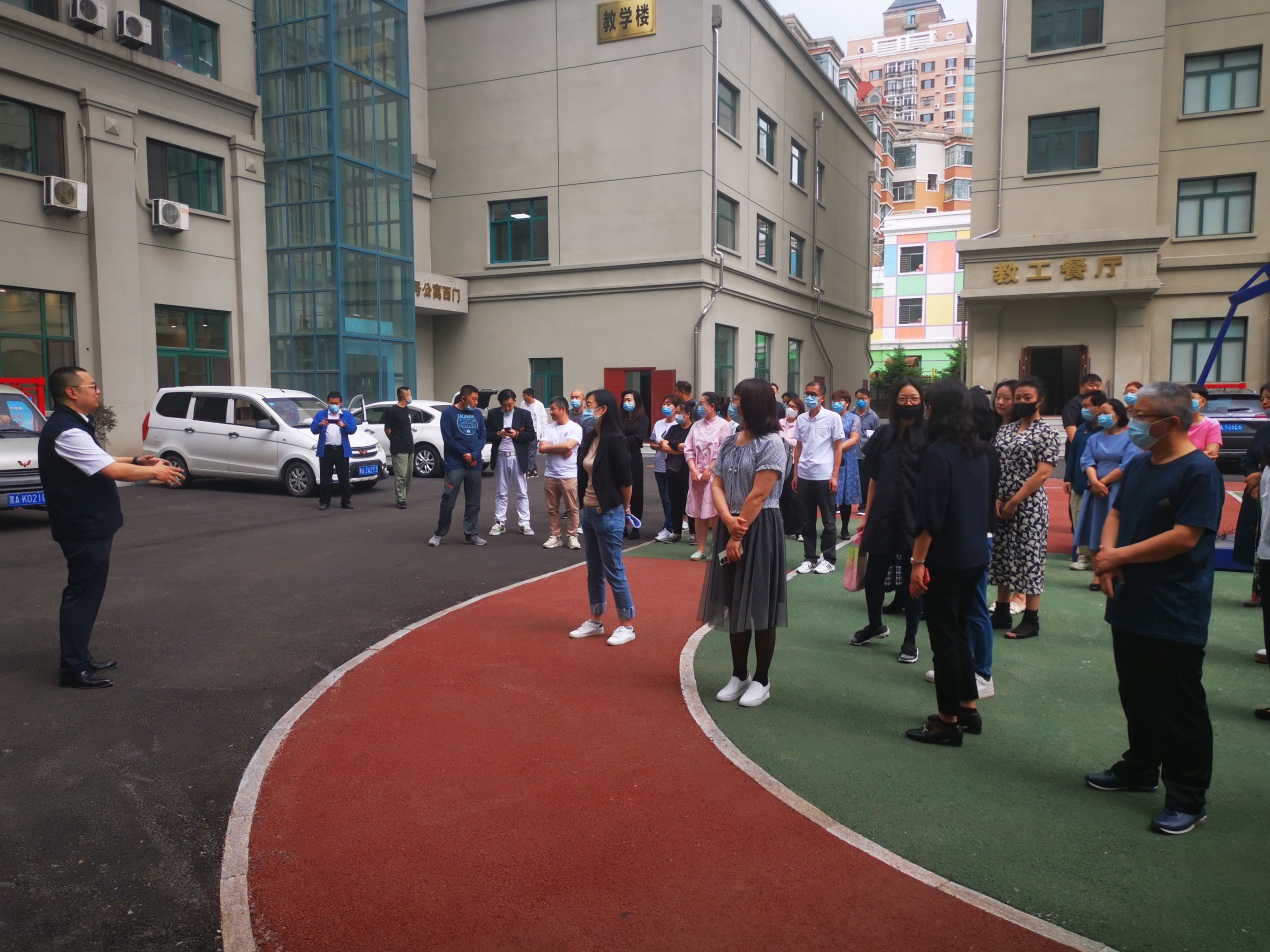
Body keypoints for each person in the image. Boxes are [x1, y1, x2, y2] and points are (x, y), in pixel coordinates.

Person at [1089, 381, 1223, 836]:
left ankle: (1187, 797)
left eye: (1141, 415)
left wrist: (1117, 558)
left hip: (1173, 607)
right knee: (1136, 691)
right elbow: (1117, 513)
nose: (1133, 421)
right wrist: (1107, 557)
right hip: (1131, 600)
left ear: (1171, 423)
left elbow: (1185, 536)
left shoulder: (1198, 471)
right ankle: (1141, 767)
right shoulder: (1140, 463)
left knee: (1178, 703)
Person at [38, 366, 185, 688]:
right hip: (82, 527)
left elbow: (102, 459)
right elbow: (111, 471)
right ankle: (73, 668)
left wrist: (137, 461)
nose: (98, 391)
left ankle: (80, 656)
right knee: (82, 594)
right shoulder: (67, 431)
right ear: (72, 392)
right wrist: (155, 473)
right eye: (91, 386)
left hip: (89, 524)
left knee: (87, 593)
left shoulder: (75, 425)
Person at [906, 380, 991, 745]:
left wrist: (917, 563)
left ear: (934, 409)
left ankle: (947, 721)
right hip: (974, 554)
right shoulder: (979, 450)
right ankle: (967, 707)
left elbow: (930, 518)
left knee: (944, 639)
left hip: (946, 557)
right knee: (959, 634)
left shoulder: (937, 454)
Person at [699, 378, 790, 709]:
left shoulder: (773, 443)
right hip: (732, 524)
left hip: (760, 526)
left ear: (755, 404)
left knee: (760, 604)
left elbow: (760, 493)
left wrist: (737, 534)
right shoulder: (729, 440)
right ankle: (739, 674)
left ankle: (762, 680)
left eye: (739, 400)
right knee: (734, 602)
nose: (734, 404)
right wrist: (726, 519)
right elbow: (717, 483)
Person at [853, 379, 927, 664]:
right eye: (903, 398)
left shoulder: (929, 436)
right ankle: (875, 624)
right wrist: (867, 515)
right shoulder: (884, 434)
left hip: (914, 516)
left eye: (914, 398)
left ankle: (910, 638)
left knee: (911, 579)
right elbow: (873, 478)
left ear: (922, 402)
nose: (908, 403)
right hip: (883, 514)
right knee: (874, 574)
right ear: (894, 401)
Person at [989, 376, 1062, 640]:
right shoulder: (1006, 430)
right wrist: (997, 498)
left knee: (1029, 558)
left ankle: (1031, 619)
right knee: (1003, 554)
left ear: (1040, 401)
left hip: (1029, 506)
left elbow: (1042, 473)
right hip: (1002, 503)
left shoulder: (1047, 432)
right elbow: (997, 466)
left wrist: (1014, 501)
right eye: (1017, 397)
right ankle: (1002, 611)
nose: (1021, 402)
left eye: (1027, 398)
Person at [568, 389, 637, 646]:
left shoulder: (615, 440)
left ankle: (626, 624)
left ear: (603, 409)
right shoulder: (590, 437)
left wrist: (625, 509)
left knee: (614, 569)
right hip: (589, 512)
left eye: (589, 405)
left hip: (608, 512)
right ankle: (596, 620)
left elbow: (626, 482)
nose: (585, 409)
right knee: (594, 569)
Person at [1075, 398, 1143, 591]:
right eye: (1100, 413)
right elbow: (1087, 461)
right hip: (1095, 490)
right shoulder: (1094, 438)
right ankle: (1098, 575)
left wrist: (1103, 482)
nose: (1102, 416)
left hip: (1118, 489)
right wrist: (1095, 482)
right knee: (1094, 530)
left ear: (1119, 415)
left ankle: (1116, 571)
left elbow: (1127, 464)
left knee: (1117, 530)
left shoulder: (1131, 438)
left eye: (1106, 413)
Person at [792, 381, 845, 575]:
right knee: (807, 520)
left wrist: (835, 475)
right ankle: (809, 558)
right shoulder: (801, 419)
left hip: (824, 476)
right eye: (807, 393)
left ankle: (829, 559)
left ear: (822, 398)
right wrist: (796, 473)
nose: (809, 397)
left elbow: (838, 447)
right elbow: (798, 446)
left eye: (813, 394)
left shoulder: (832, 418)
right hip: (805, 475)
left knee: (828, 521)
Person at [429, 385, 487, 547]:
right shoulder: (448, 413)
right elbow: (448, 439)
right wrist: (464, 455)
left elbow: (482, 437)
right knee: (448, 500)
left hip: (474, 464)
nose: (476, 402)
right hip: (455, 464)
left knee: (474, 501)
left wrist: (474, 455)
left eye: (477, 399)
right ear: (463, 398)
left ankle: (471, 534)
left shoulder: (477, 414)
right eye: (473, 399)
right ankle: (439, 533)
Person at [1234, 383, 1270, 612]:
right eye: (1263, 398)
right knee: (1258, 540)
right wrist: (1252, 477)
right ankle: (1258, 590)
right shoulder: (1262, 431)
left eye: (1269, 398)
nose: (1265, 402)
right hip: (1257, 494)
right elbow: (1247, 459)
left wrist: (1262, 475)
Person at [685, 392, 733, 561]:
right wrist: (693, 468)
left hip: (714, 476)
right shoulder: (696, 426)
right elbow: (688, 449)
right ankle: (700, 548)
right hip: (696, 476)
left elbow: (723, 451)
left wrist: (709, 470)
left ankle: (716, 547)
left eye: (702, 403)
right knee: (699, 513)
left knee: (715, 513)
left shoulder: (723, 426)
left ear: (711, 406)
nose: (699, 407)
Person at [1063, 389, 1106, 570]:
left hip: (1100, 485)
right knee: (1079, 519)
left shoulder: (1107, 430)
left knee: (1099, 521)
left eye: (1088, 406)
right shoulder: (1082, 429)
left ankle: (1099, 556)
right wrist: (1068, 477)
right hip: (1079, 484)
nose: (1084, 410)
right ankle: (1083, 556)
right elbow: (1073, 453)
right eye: (1083, 406)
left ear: (1099, 407)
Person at [486, 388, 536, 536]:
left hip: (517, 456)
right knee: (501, 492)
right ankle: (500, 522)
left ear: (515, 401)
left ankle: (524, 523)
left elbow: (531, 435)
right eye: (504, 405)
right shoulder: (493, 414)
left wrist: (517, 434)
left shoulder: (524, 414)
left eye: (510, 405)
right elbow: (486, 434)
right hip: (500, 455)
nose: (507, 408)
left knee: (522, 491)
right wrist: (498, 434)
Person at [538, 396, 583, 549]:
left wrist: (552, 447)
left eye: (553, 409)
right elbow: (542, 447)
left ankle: (572, 536)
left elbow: (569, 446)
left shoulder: (575, 428)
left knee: (572, 508)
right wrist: (561, 449)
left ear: (563, 409)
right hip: (550, 474)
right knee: (552, 509)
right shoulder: (548, 428)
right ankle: (555, 536)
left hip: (568, 475)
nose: (551, 412)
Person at [311, 391, 358, 511]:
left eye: (336, 403)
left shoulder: (346, 415)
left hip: (341, 449)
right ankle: (324, 501)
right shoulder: (321, 414)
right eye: (331, 403)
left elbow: (353, 429)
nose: (334, 405)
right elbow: (313, 429)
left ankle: (346, 501)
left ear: (341, 403)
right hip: (326, 449)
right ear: (328, 402)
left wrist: (344, 425)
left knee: (344, 476)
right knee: (325, 477)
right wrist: (321, 424)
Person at [658, 401, 694, 543]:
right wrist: (681, 447)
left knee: (690, 501)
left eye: (679, 413)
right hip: (672, 470)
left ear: (687, 414)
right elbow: (664, 447)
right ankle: (676, 532)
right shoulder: (673, 428)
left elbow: (692, 448)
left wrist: (675, 445)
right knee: (674, 501)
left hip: (688, 470)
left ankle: (693, 533)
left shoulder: (694, 428)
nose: (676, 415)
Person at [619, 389, 649, 539]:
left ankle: (635, 526)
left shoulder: (643, 419)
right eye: (624, 400)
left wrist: (622, 440)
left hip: (634, 458)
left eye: (629, 400)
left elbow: (638, 438)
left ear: (636, 402)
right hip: (619, 457)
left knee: (636, 491)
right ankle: (622, 525)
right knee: (620, 490)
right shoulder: (619, 418)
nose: (626, 403)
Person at [831, 390, 862, 533]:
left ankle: (844, 528)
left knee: (845, 496)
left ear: (847, 403)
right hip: (828, 459)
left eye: (840, 401)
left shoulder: (854, 418)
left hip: (847, 459)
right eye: (834, 401)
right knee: (829, 495)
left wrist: (837, 449)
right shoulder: (829, 417)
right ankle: (830, 528)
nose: (836, 403)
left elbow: (854, 439)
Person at [381, 386, 415, 510]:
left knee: (408, 475)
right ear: (405, 396)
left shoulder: (407, 410)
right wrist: (394, 440)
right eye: (409, 395)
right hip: (399, 448)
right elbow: (387, 429)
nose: (411, 397)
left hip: (409, 446)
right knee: (400, 475)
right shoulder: (392, 411)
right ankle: (400, 499)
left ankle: (404, 496)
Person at [650, 394, 678, 543]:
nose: (665, 406)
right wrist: (659, 446)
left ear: (676, 408)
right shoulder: (658, 424)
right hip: (659, 465)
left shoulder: (677, 425)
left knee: (669, 498)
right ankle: (669, 524)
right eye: (664, 403)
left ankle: (670, 527)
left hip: (673, 466)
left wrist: (666, 447)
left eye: (669, 404)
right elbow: (652, 443)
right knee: (664, 498)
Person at [778, 396, 805, 540]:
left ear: (799, 410)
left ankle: (800, 530)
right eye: (788, 405)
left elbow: (797, 442)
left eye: (794, 407)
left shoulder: (801, 423)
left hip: (794, 462)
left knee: (795, 496)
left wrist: (782, 440)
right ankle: (788, 527)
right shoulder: (779, 423)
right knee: (782, 496)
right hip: (779, 462)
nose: (790, 409)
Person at [854, 388, 881, 512]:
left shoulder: (873, 417)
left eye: (863, 399)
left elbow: (876, 435)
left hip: (864, 454)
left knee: (864, 481)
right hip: (851, 453)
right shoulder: (851, 414)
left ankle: (863, 506)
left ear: (869, 400)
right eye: (858, 398)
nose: (861, 401)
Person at [1063, 373, 1104, 444]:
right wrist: (1077, 444)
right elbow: (1071, 428)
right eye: (1091, 385)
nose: (1095, 388)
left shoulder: (1104, 403)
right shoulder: (1074, 403)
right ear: (1082, 385)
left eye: (1098, 386)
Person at [520, 387, 550, 478]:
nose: (523, 397)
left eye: (524, 395)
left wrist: (542, 432)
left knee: (531, 452)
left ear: (530, 396)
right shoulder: (523, 404)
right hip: (525, 431)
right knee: (526, 450)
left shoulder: (539, 405)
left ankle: (528, 470)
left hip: (535, 431)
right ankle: (534, 470)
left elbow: (544, 418)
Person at [1186, 384, 1222, 460]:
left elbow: (1212, 455)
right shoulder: (1173, 423)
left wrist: (1180, 457)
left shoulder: (1212, 424)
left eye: (1191, 397)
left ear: (1203, 401)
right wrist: (1200, 456)